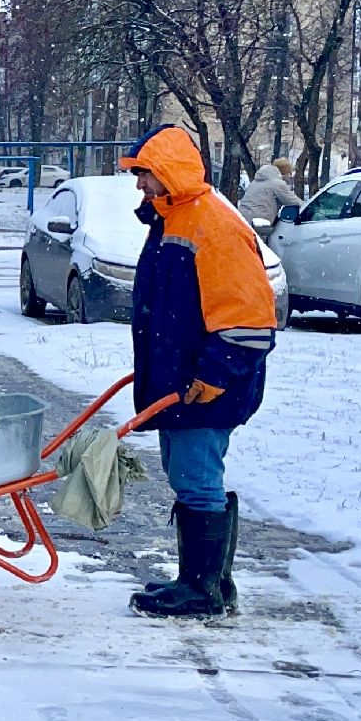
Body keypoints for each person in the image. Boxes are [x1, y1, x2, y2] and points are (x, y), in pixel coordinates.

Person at [120, 125, 276, 619]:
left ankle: (204, 589)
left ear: (167, 172)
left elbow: (249, 318)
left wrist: (213, 374)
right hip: (182, 379)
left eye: (144, 174)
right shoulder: (174, 220)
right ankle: (205, 581)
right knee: (185, 472)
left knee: (196, 476)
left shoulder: (213, 224)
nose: (139, 185)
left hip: (209, 382)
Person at [234, 156, 303, 233]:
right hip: (258, 223)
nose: (290, 176)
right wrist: (308, 207)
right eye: (289, 173)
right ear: (284, 173)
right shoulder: (277, 183)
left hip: (242, 217)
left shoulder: (257, 181)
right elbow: (292, 200)